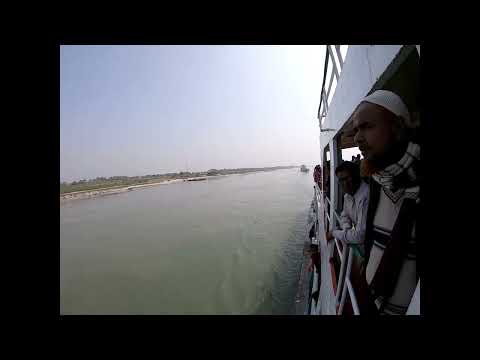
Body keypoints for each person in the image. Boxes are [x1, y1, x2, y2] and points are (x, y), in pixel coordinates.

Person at [351, 89, 420, 315]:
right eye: (356, 130)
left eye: (367, 127)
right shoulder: (377, 181)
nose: (357, 138)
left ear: (397, 128)